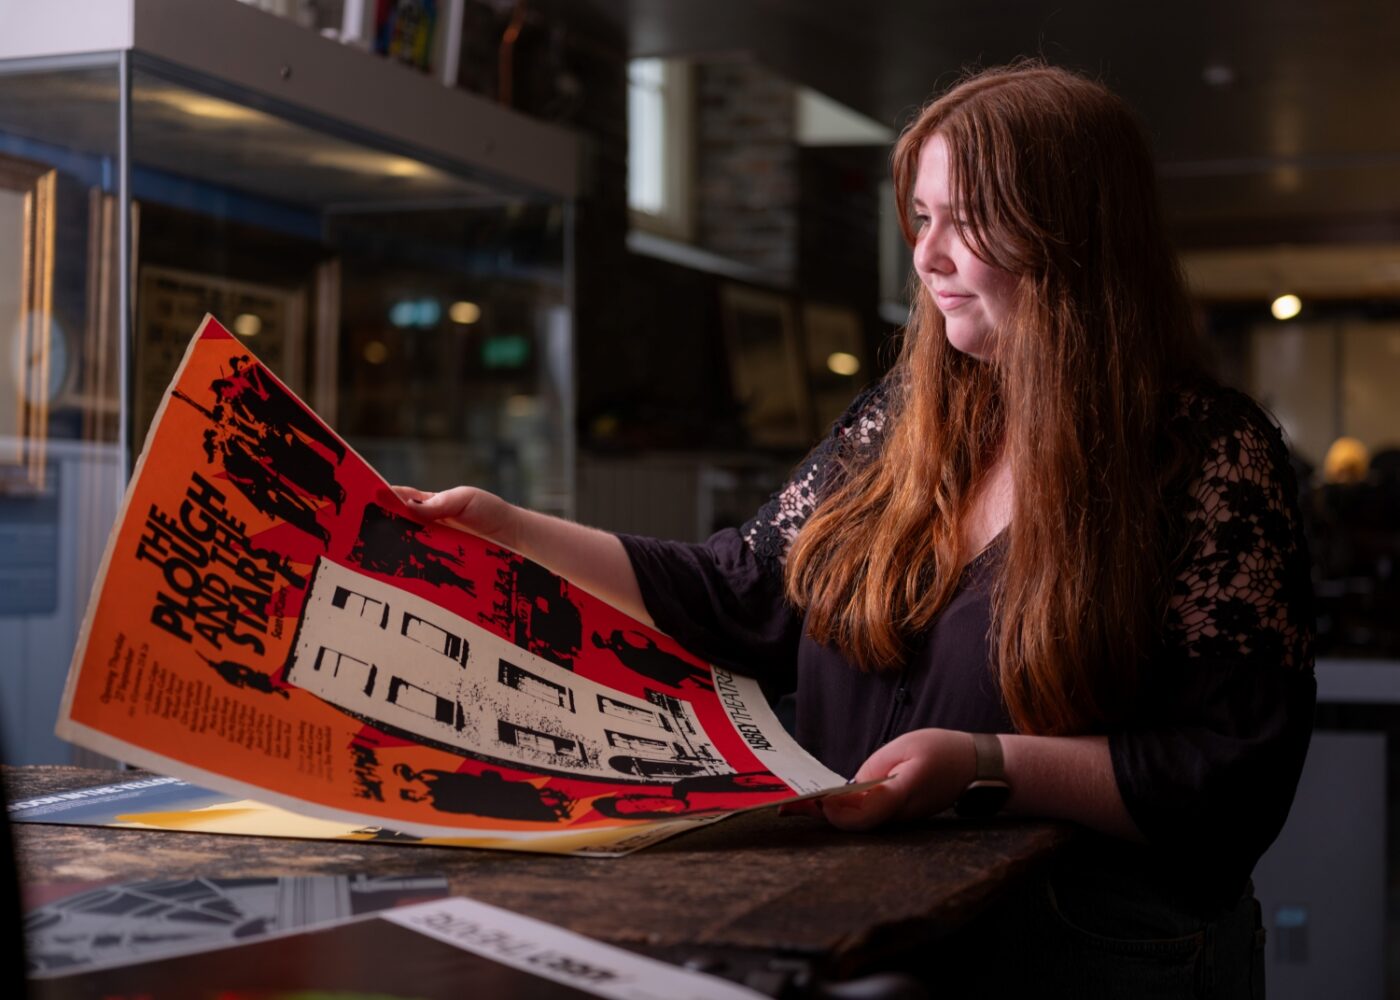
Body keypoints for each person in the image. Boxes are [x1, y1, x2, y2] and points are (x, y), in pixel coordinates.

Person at [397, 62, 1314, 998]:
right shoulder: (907, 419)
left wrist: (984, 766)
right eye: (922, 216)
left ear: (1076, 235)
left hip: (1088, 964)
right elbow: (741, 591)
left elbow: (1232, 774)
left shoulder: (1208, 456)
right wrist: (507, 530)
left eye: (970, 219)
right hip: (873, 944)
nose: (928, 256)